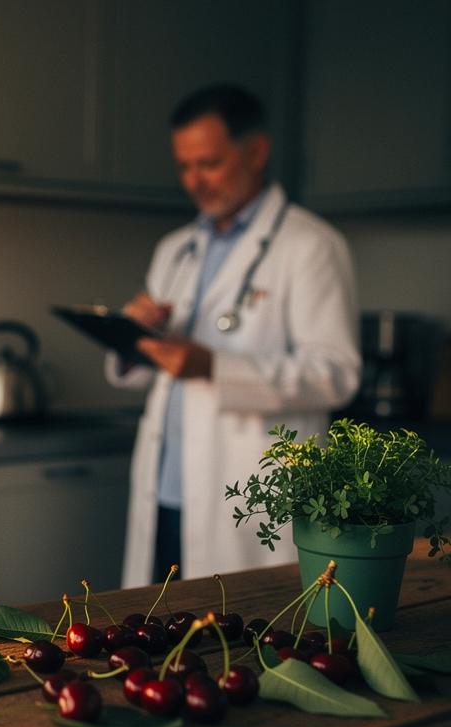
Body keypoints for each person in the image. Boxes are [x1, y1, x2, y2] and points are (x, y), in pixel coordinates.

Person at [107, 84, 360, 587]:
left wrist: (214, 367)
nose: (194, 181)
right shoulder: (175, 249)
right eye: (184, 166)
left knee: (243, 626)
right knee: (158, 625)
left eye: (209, 163)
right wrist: (136, 335)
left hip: (247, 493)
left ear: (256, 151)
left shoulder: (310, 245)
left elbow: (336, 374)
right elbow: (153, 371)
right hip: (167, 489)